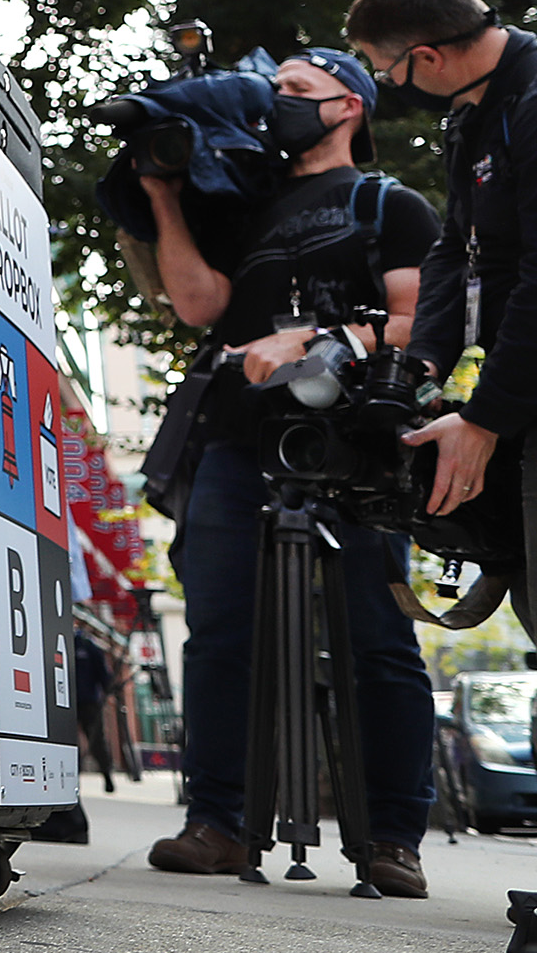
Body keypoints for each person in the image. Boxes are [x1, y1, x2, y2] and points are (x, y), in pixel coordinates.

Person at [138, 47, 438, 894]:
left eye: (297, 91)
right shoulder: (251, 211)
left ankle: (392, 837)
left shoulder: (388, 203)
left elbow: (421, 321)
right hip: (238, 443)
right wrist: (163, 191)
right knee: (221, 631)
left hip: (354, 444)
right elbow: (199, 304)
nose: (278, 102)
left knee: (378, 636)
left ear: (349, 106)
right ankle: (218, 823)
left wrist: (314, 341)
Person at [350, 0, 537, 566]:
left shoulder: (532, 105)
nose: (391, 86)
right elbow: (456, 249)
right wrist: (422, 363)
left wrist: (485, 419)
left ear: (428, 57)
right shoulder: (471, 114)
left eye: (389, 71)